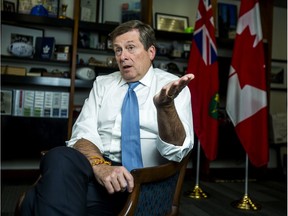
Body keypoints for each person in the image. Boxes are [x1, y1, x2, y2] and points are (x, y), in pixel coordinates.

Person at [21, 20, 195, 216]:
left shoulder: (172, 87)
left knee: (33, 202)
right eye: (118, 50)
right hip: (101, 175)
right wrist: (101, 168)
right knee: (59, 155)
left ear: (151, 52)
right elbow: (82, 134)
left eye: (130, 48)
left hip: (147, 181)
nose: (123, 57)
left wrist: (165, 108)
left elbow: (177, 151)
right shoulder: (103, 84)